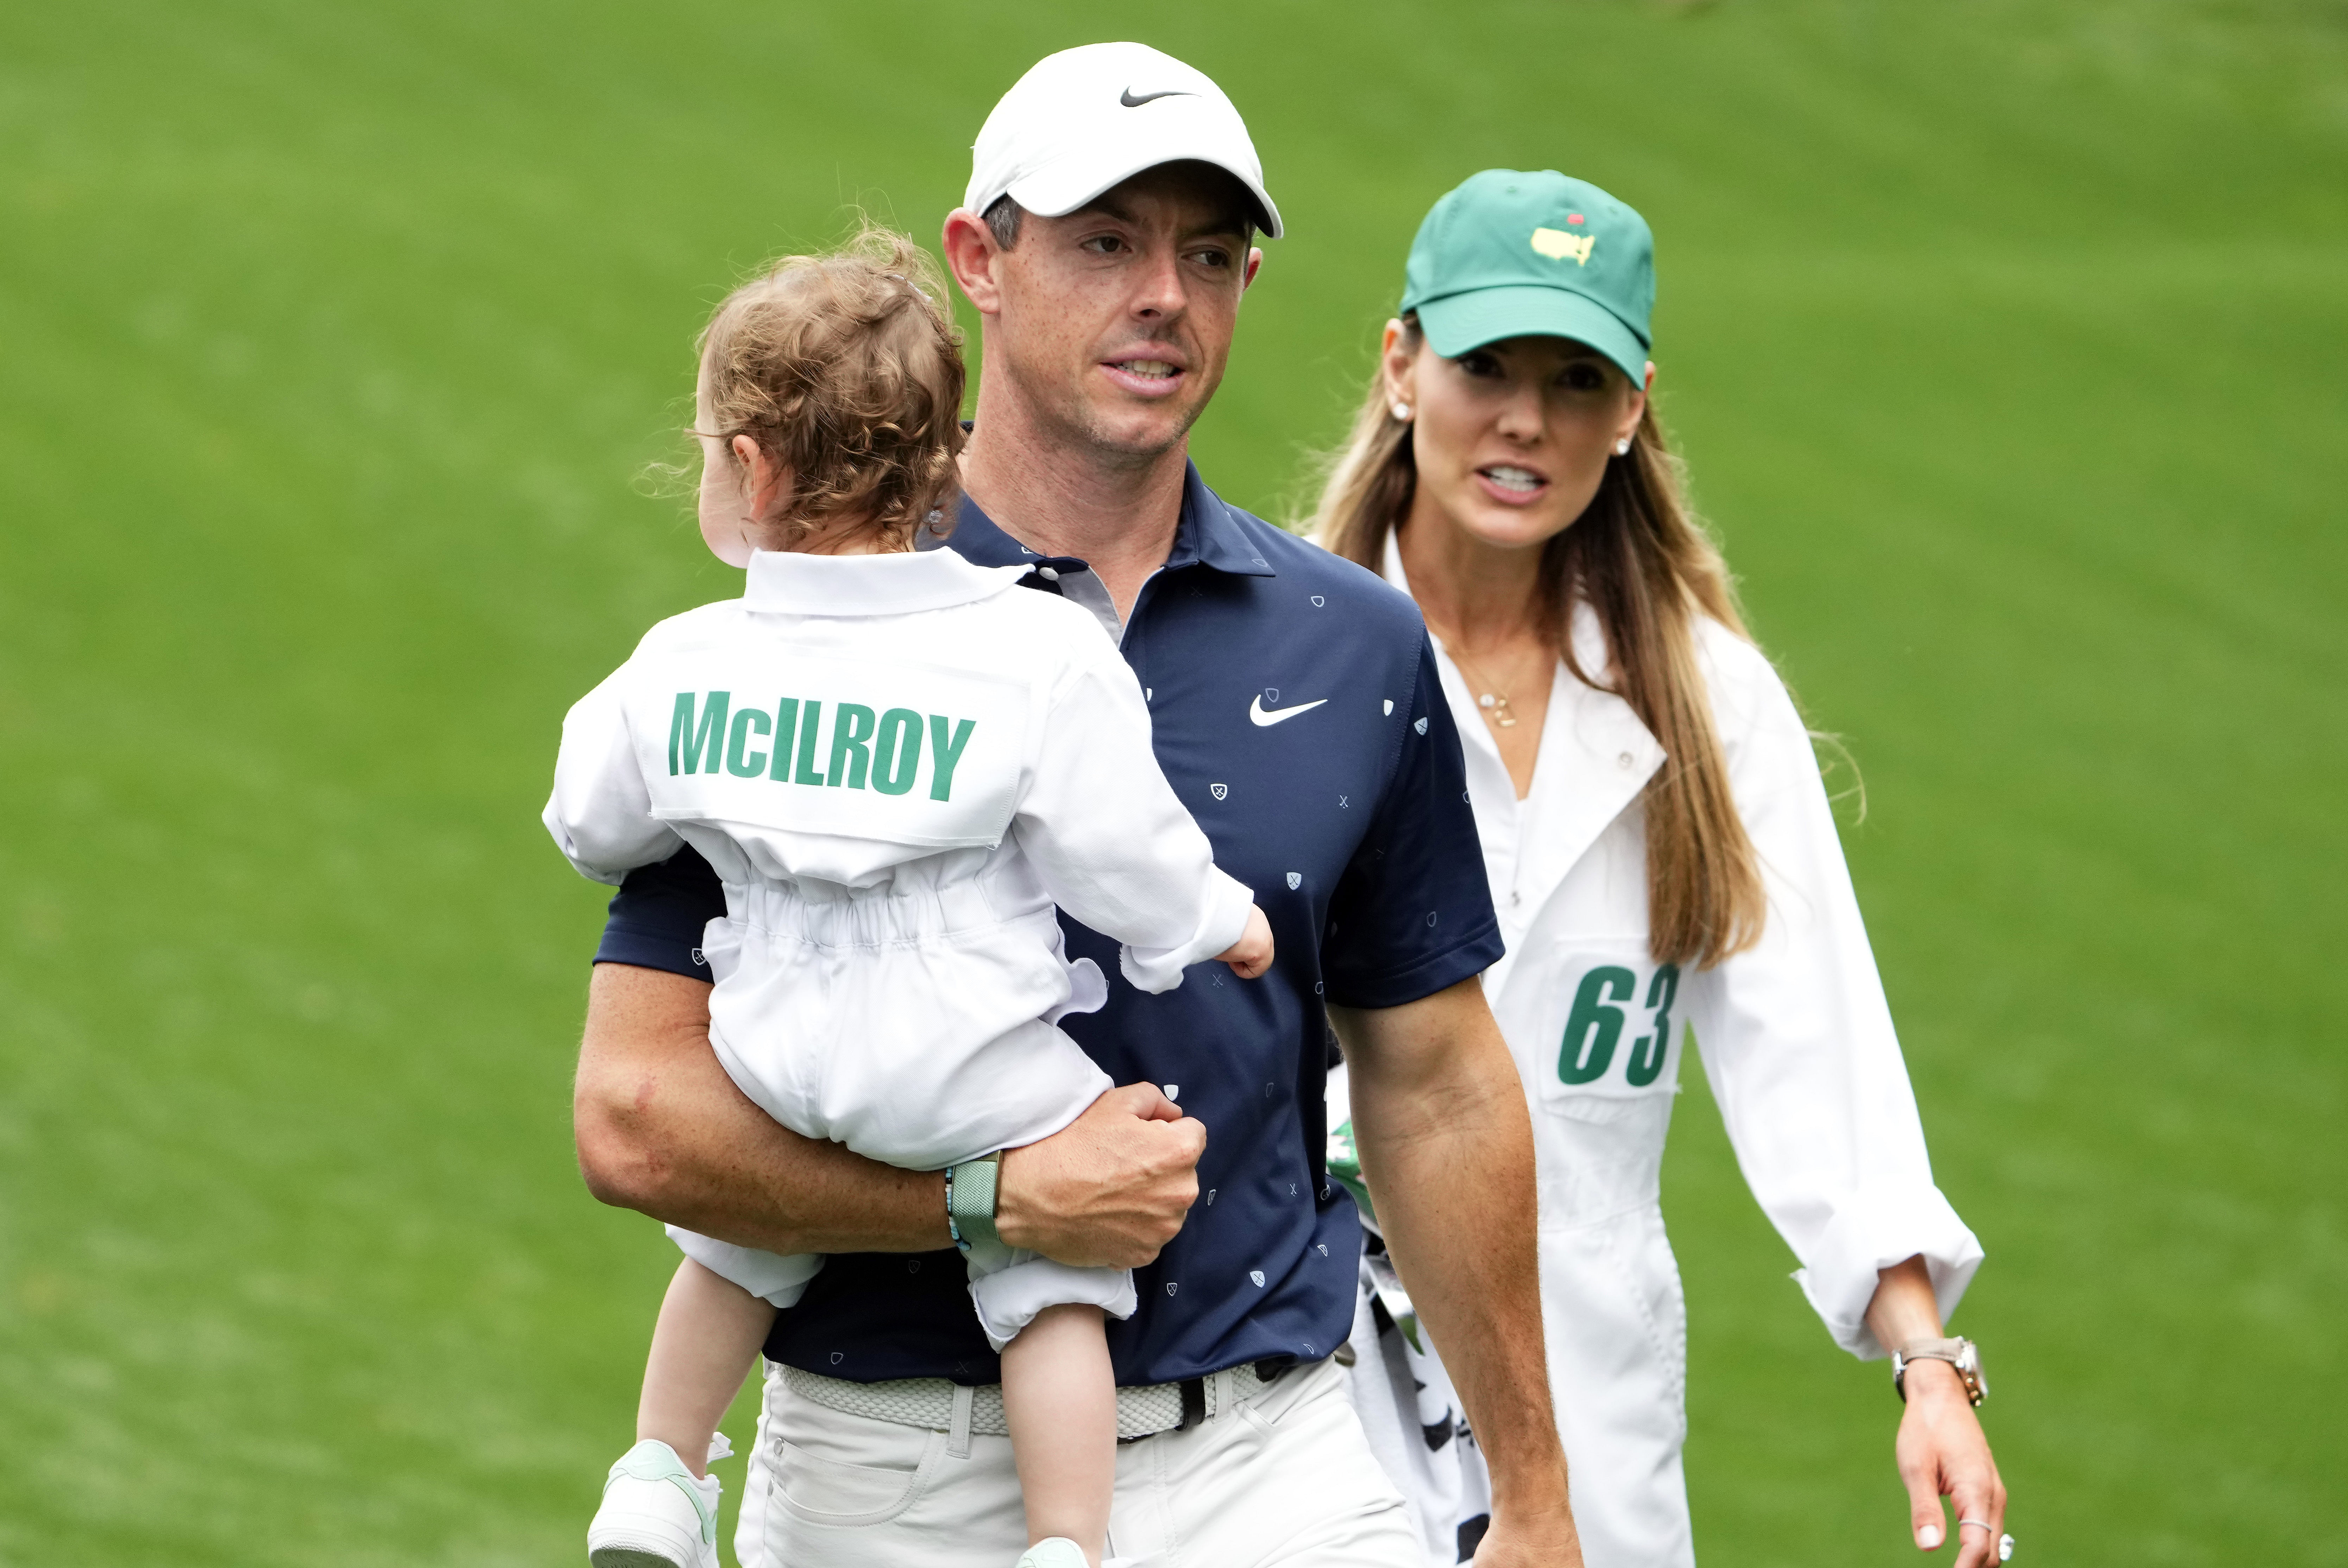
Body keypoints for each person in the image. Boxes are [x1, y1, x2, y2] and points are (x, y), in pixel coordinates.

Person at [567, 46, 1585, 1568]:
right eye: (1108, 242)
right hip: (890, 1472)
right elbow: (639, 1120)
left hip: (1276, 1459)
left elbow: (1436, 1081)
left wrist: (1538, 1497)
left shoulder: (1356, 646)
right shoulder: (794, 641)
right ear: (981, 260)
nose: (1166, 294)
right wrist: (996, 1197)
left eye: (1210, 252)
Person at [546, 228, 1279, 1568]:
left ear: (754, 470)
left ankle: (657, 1474)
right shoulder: (1029, 647)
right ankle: (1067, 1541)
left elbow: (590, 818)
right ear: (943, 462)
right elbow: (1125, 851)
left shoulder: (684, 661)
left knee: (727, 1247)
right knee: (1054, 1273)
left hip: (771, 1052)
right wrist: (1217, 925)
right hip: (959, 1052)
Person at [1312, 170, 2012, 1567]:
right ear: (1402, 364)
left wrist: (1927, 1362)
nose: (1527, 419)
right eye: (1487, 365)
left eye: (1578, 379)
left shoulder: (1711, 706)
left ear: (1633, 409)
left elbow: (1816, 1051)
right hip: (1303, 1404)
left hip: (1589, 1416)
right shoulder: (1284, 663)